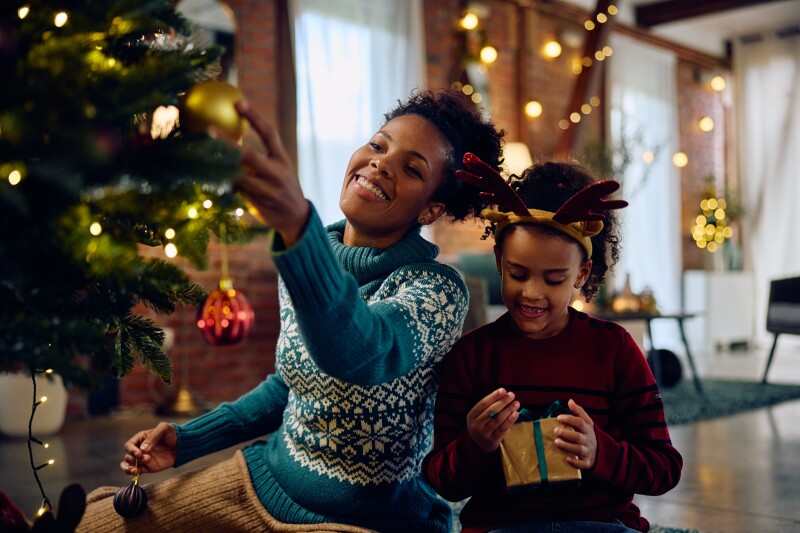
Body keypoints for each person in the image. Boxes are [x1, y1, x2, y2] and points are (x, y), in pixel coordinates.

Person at [76, 88, 504, 533]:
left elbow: (362, 354)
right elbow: (290, 384)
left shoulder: (436, 290)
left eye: (412, 168)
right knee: (90, 525)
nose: (381, 163)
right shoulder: (303, 257)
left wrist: (298, 228)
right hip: (265, 481)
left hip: (372, 520)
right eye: (378, 145)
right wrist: (186, 441)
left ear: (432, 207)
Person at [422, 156, 683, 533]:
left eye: (554, 279)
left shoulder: (614, 349)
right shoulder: (472, 356)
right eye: (518, 273)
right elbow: (442, 481)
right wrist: (474, 443)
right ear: (499, 261)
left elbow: (665, 469)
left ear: (581, 274)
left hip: (600, 524)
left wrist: (600, 452)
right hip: (502, 526)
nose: (532, 293)